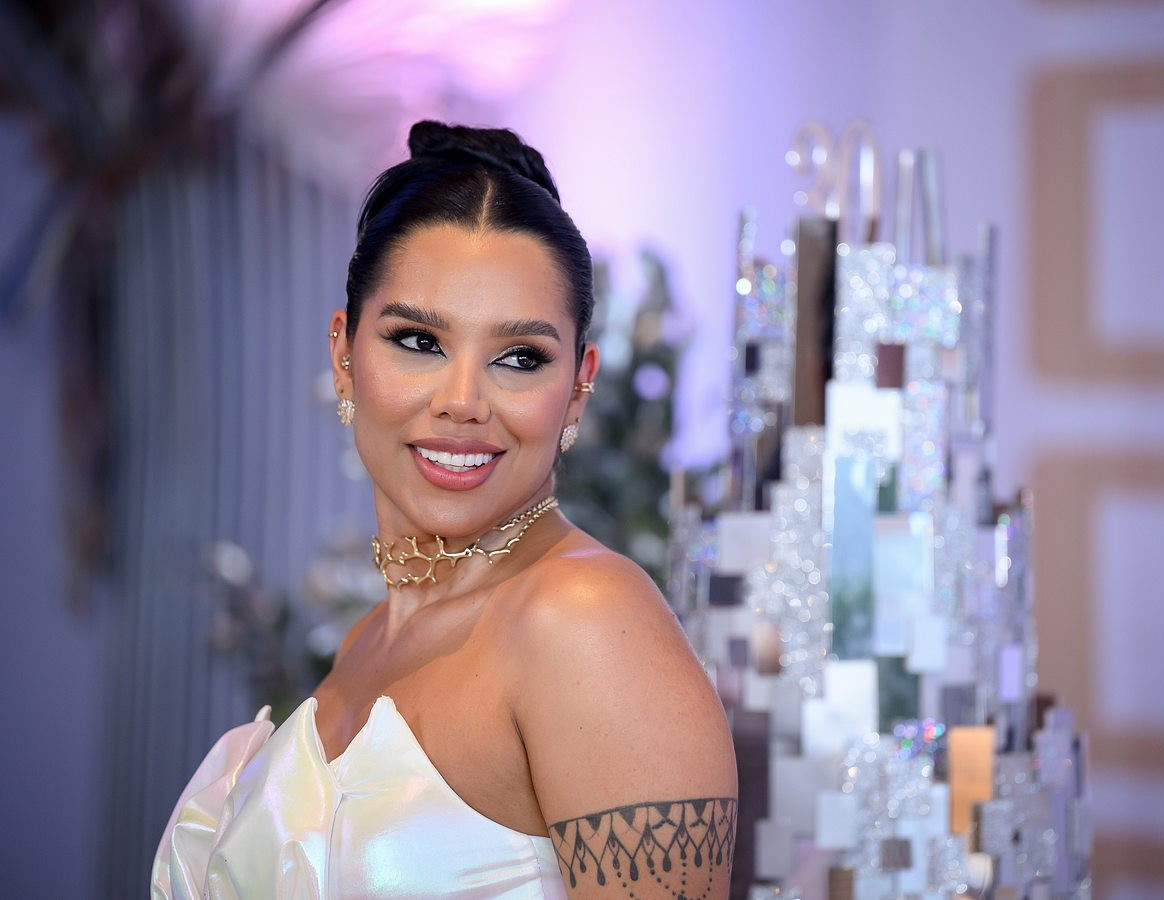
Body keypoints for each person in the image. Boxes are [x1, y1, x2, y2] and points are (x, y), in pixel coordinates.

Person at [151, 122, 737, 898]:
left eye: (519, 358)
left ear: (578, 388)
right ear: (343, 356)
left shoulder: (585, 622)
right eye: (419, 341)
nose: (463, 402)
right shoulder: (366, 644)